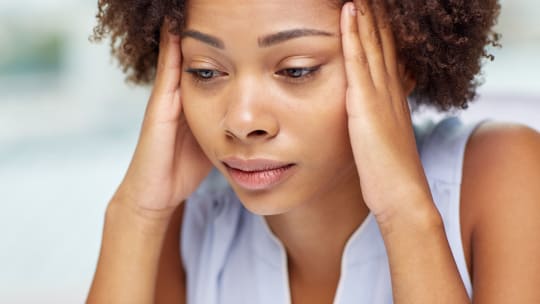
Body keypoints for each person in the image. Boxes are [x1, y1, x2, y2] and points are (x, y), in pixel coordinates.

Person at [87, 0, 540, 303]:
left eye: (297, 70)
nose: (243, 121)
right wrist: (135, 215)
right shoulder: (186, 218)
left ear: (402, 64)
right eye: (206, 72)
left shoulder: (503, 175)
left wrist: (405, 213)